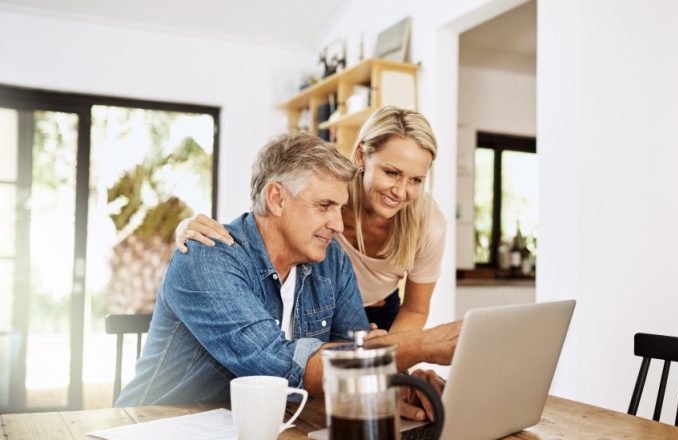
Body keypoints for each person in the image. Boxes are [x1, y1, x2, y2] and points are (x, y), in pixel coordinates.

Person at [115, 133, 459, 417]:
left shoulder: (331, 260)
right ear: (277, 198)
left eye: (340, 208)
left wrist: (400, 383)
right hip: (155, 425)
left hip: (266, 425)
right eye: (324, 206)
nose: (338, 225)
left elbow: (359, 348)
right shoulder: (207, 258)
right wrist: (423, 345)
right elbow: (281, 366)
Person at [177, 106, 446, 332]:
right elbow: (266, 218)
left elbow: (415, 308)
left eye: (416, 180)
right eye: (391, 172)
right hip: (316, 301)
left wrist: (392, 350)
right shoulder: (330, 186)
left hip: (380, 313)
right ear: (363, 155)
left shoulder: (428, 225)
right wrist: (188, 230)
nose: (400, 191)